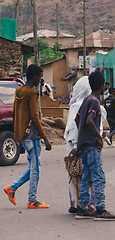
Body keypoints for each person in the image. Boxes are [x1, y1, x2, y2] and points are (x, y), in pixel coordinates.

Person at [4, 64, 52, 209]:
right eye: (40, 77)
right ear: (35, 77)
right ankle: (32, 200)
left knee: (35, 164)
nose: (41, 80)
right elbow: (35, 117)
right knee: (36, 167)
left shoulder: (19, 91)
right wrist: (45, 137)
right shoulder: (31, 94)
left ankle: (12, 188)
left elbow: (15, 114)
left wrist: (18, 136)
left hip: (23, 135)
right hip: (32, 135)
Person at [75, 70, 115, 221]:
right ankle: (101, 209)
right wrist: (98, 137)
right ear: (102, 85)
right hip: (92, 146)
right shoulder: (94, 102)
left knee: (87, 177)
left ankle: (81, 208)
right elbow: (88, 120)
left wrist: (84, 135)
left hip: (84, 145)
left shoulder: (86, 100)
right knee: (99, 178)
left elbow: (77, 119)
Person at [64, 76, 96, 214]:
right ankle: (87, 205)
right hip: (79, 146)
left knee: (73, 175)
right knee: (85, 176)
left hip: (72, 148)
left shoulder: (74, 106)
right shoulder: (82, 106)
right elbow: (75, 128)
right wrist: (79, 146)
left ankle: (74, 204)